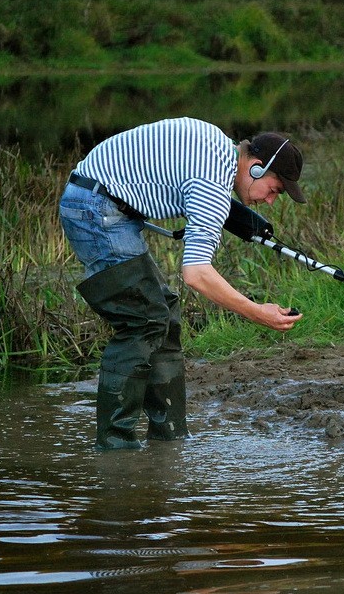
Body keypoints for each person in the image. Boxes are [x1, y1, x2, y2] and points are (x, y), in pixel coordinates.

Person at [59, 117, 305, 449]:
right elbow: (196, 274)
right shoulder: (212, 183)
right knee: (143, 319)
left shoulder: (217, 147)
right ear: (257, 169)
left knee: (164, 313)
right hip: (95, 209)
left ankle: (169, 437)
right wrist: (256, 312)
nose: (271, 201)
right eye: (274, 190)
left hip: (101, 202)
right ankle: (115, 449)